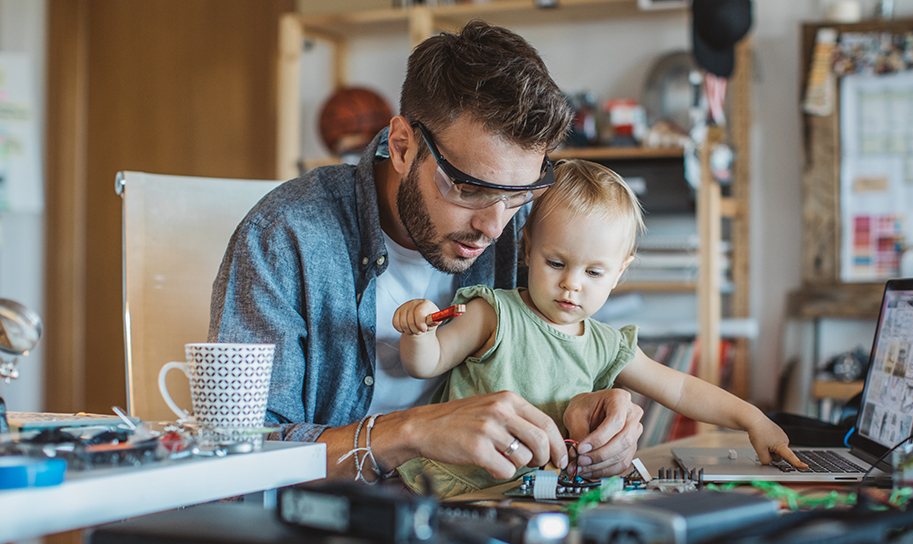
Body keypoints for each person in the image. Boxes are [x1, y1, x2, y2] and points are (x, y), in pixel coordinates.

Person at [209, 22, 644, 485]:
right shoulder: (284, 236)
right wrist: (413, 432)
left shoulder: (526, 227)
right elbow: (238, 455)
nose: (494, 227)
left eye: (519, 193)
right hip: (329, 533)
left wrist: (600, 406)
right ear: (401, 146)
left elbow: (559, 349)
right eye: (470, 188)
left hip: (484, 513)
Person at [393, 159, 806, 497]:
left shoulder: (607, 345)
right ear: (528, 249)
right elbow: (426, 364)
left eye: (593, 272)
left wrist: (753, 419)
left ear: (619, 272)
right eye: (556, 263)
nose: (572, 283)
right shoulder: (493, 313)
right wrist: (418, 333)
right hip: (451, 488)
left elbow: (681, 388)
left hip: (532, 496)